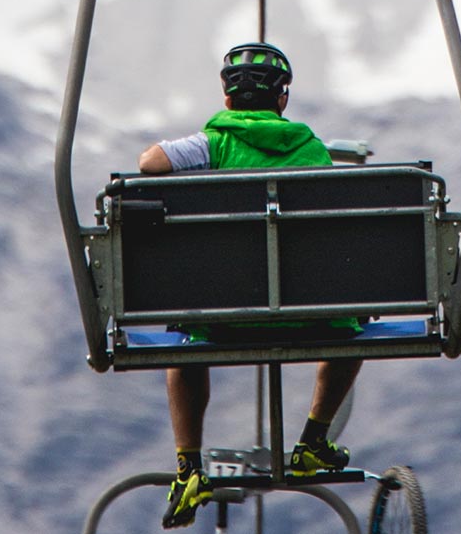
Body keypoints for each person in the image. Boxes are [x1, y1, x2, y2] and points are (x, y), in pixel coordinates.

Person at [139, 42, 363, 529]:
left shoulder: (212, 144)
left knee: (186, 342)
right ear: (282, 100)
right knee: (354, 320)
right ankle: (313, 440)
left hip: (223, 317)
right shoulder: (311, 149)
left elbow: (150, 164)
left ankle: (189, 467)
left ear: (226, 100)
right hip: (310, 315)